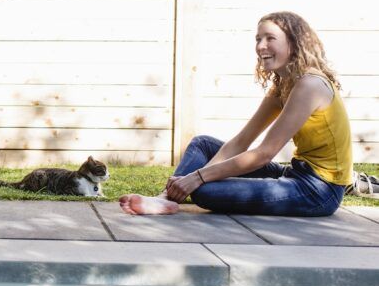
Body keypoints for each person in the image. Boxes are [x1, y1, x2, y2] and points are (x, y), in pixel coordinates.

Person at [120, 11, 352, 217]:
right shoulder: (285, 84)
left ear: (295, 42)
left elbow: (264, 154)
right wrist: (193, 178)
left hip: (319, 191)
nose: (261, 46)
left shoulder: (309, 85)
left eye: (270, 38)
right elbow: (242, 141)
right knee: (203, 145)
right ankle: (165, 200)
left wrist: (198, 177)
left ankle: (175, 195)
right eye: (258, 39)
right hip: (294, 174)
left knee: (204, 191)